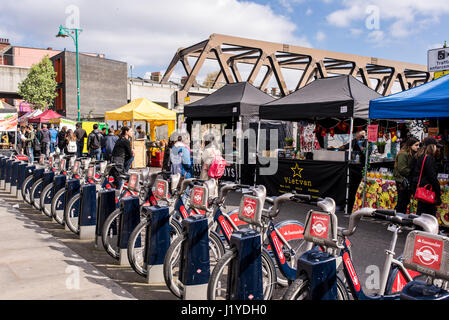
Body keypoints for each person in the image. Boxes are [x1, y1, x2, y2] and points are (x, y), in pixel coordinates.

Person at [410, 137, 442, 216]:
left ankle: (419, 227)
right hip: (427, 190)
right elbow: (432, 177)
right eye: (435, 146)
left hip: (420, 189)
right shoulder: (428, 158)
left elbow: (412, 172)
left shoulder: (419, 156)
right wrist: (438, 193)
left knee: (421, 212)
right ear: (432, 146)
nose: (436, 148)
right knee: (429, 215)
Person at [393, 137, 420, 214]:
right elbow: (402, 169)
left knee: (405, 201)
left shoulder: (412, 153)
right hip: (401, 180)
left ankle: (400, 218)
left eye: (419, 145)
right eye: (416, 145)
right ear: (410, 145)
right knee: (401, 202)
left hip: (407, 180)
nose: (418, 147)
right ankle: (396, 219)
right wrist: (414, 172)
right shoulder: (403, 154)